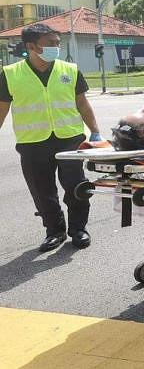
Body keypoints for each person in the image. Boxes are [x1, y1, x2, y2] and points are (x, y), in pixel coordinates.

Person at [0, 24, 102, 251]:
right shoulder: (10, 74)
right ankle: (55, 231)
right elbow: (2, 109)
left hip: (70, 139)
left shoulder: (70, 69)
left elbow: (82, 103)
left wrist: (95, 131)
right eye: (50, 43)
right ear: (31, 46)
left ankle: (78, 229)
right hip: (32, 142)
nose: (57, 47)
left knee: (77, 186)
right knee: (42, 191)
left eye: (58, 42)